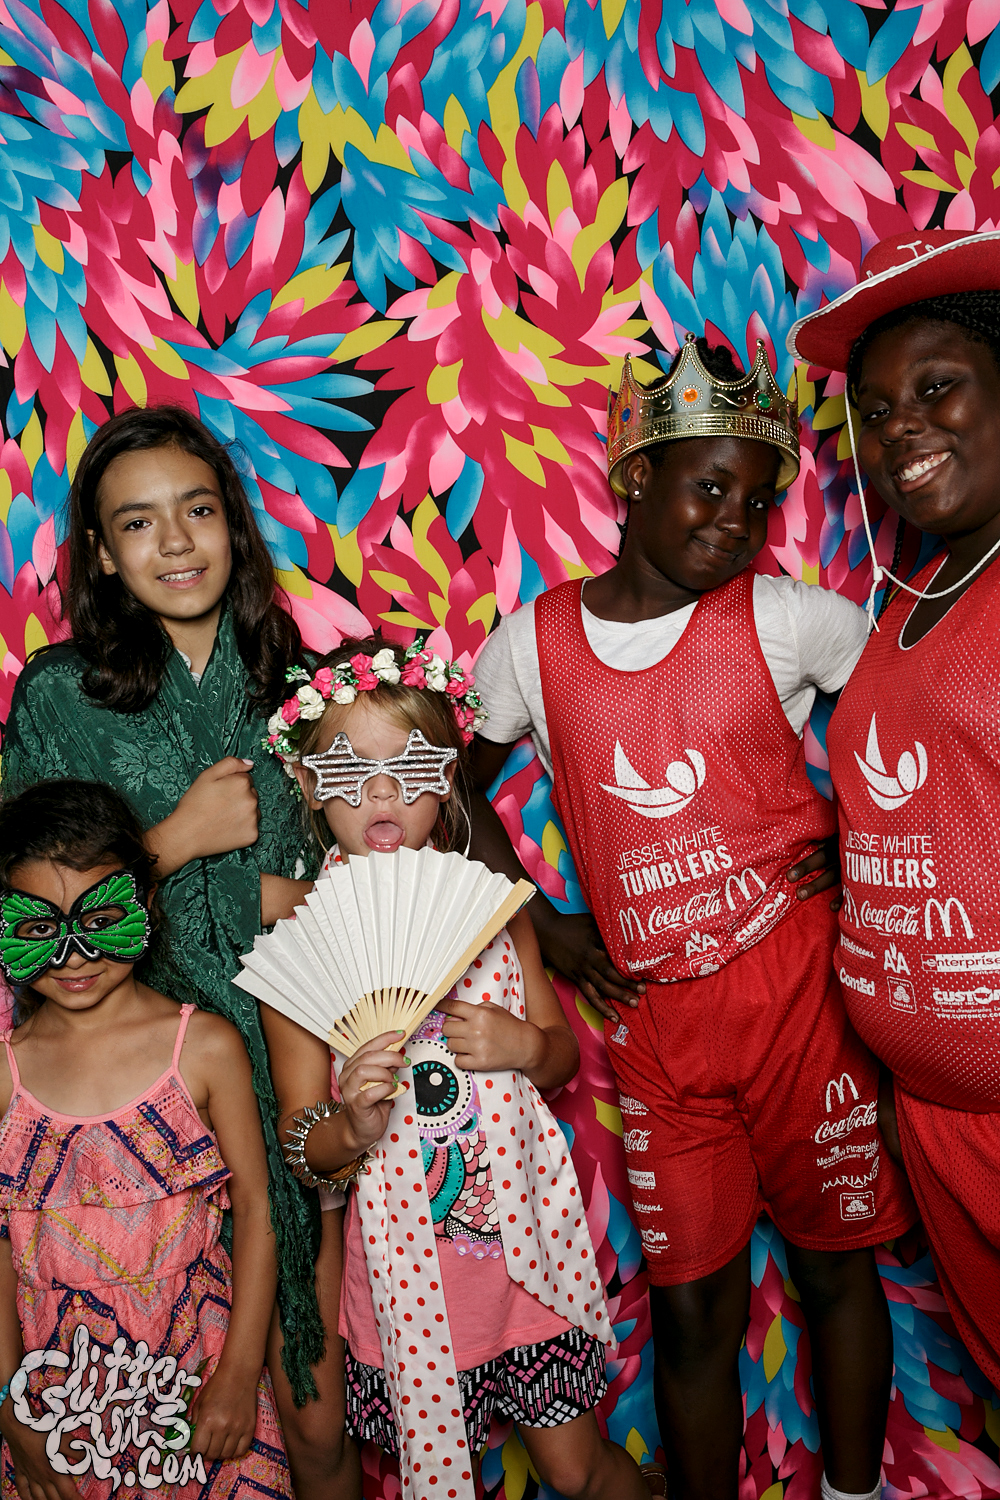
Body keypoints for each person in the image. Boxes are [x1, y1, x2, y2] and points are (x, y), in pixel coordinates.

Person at [468, 334, 916, 1500]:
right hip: (658, 1030)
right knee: (692, 1311)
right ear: (635, 478)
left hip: (800, 1003)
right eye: (710, 488)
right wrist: (539, 920)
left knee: (834, 1272)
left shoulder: (792, 618)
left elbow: (919, 739)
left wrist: (858, 852)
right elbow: (455, 792)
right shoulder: (531, 643)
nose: (735, 521)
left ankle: (853, 1493)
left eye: (758, 501)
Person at [0, 405, 339, 1483]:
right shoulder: (59, 695)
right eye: (137, 523)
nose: (176, 543)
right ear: (102, 553)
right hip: (143, 1092)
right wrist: (180, 841)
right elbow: (30, 908)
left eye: (197, 511)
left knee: (318, 1420)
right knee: (148, 1416)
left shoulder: (298, 686)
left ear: (233, 523)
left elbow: (373, 871)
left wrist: (289, 896)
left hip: (302, 1068)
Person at [258, 635, 647, 1500]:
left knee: (577, 1469)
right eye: (349, 770)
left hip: (526, 1260)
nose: (382, 793)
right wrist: (350, 1125)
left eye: (409, 767)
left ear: (445, 781)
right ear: (309, 784)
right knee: (439, 1483)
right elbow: (300, 1140)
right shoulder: (300, 947)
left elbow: (560, 1056)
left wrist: (524, 1047)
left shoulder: (495, 912)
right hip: (404, 1285)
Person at [789, 228, 1000, 1390]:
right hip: (933, 1114)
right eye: (873, 412)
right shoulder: (913, 587)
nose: (898, 429)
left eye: (936, 388)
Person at [0, 779, 290, 1499]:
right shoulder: (5, 1074)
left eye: (101, 918)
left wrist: (238, 1374)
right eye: (38, 929)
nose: (73, 955)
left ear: (146, 902)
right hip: (55, 1400)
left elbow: (259, 1209)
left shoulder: (204, 1049)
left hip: (199, 1377)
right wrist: (9, 1407)